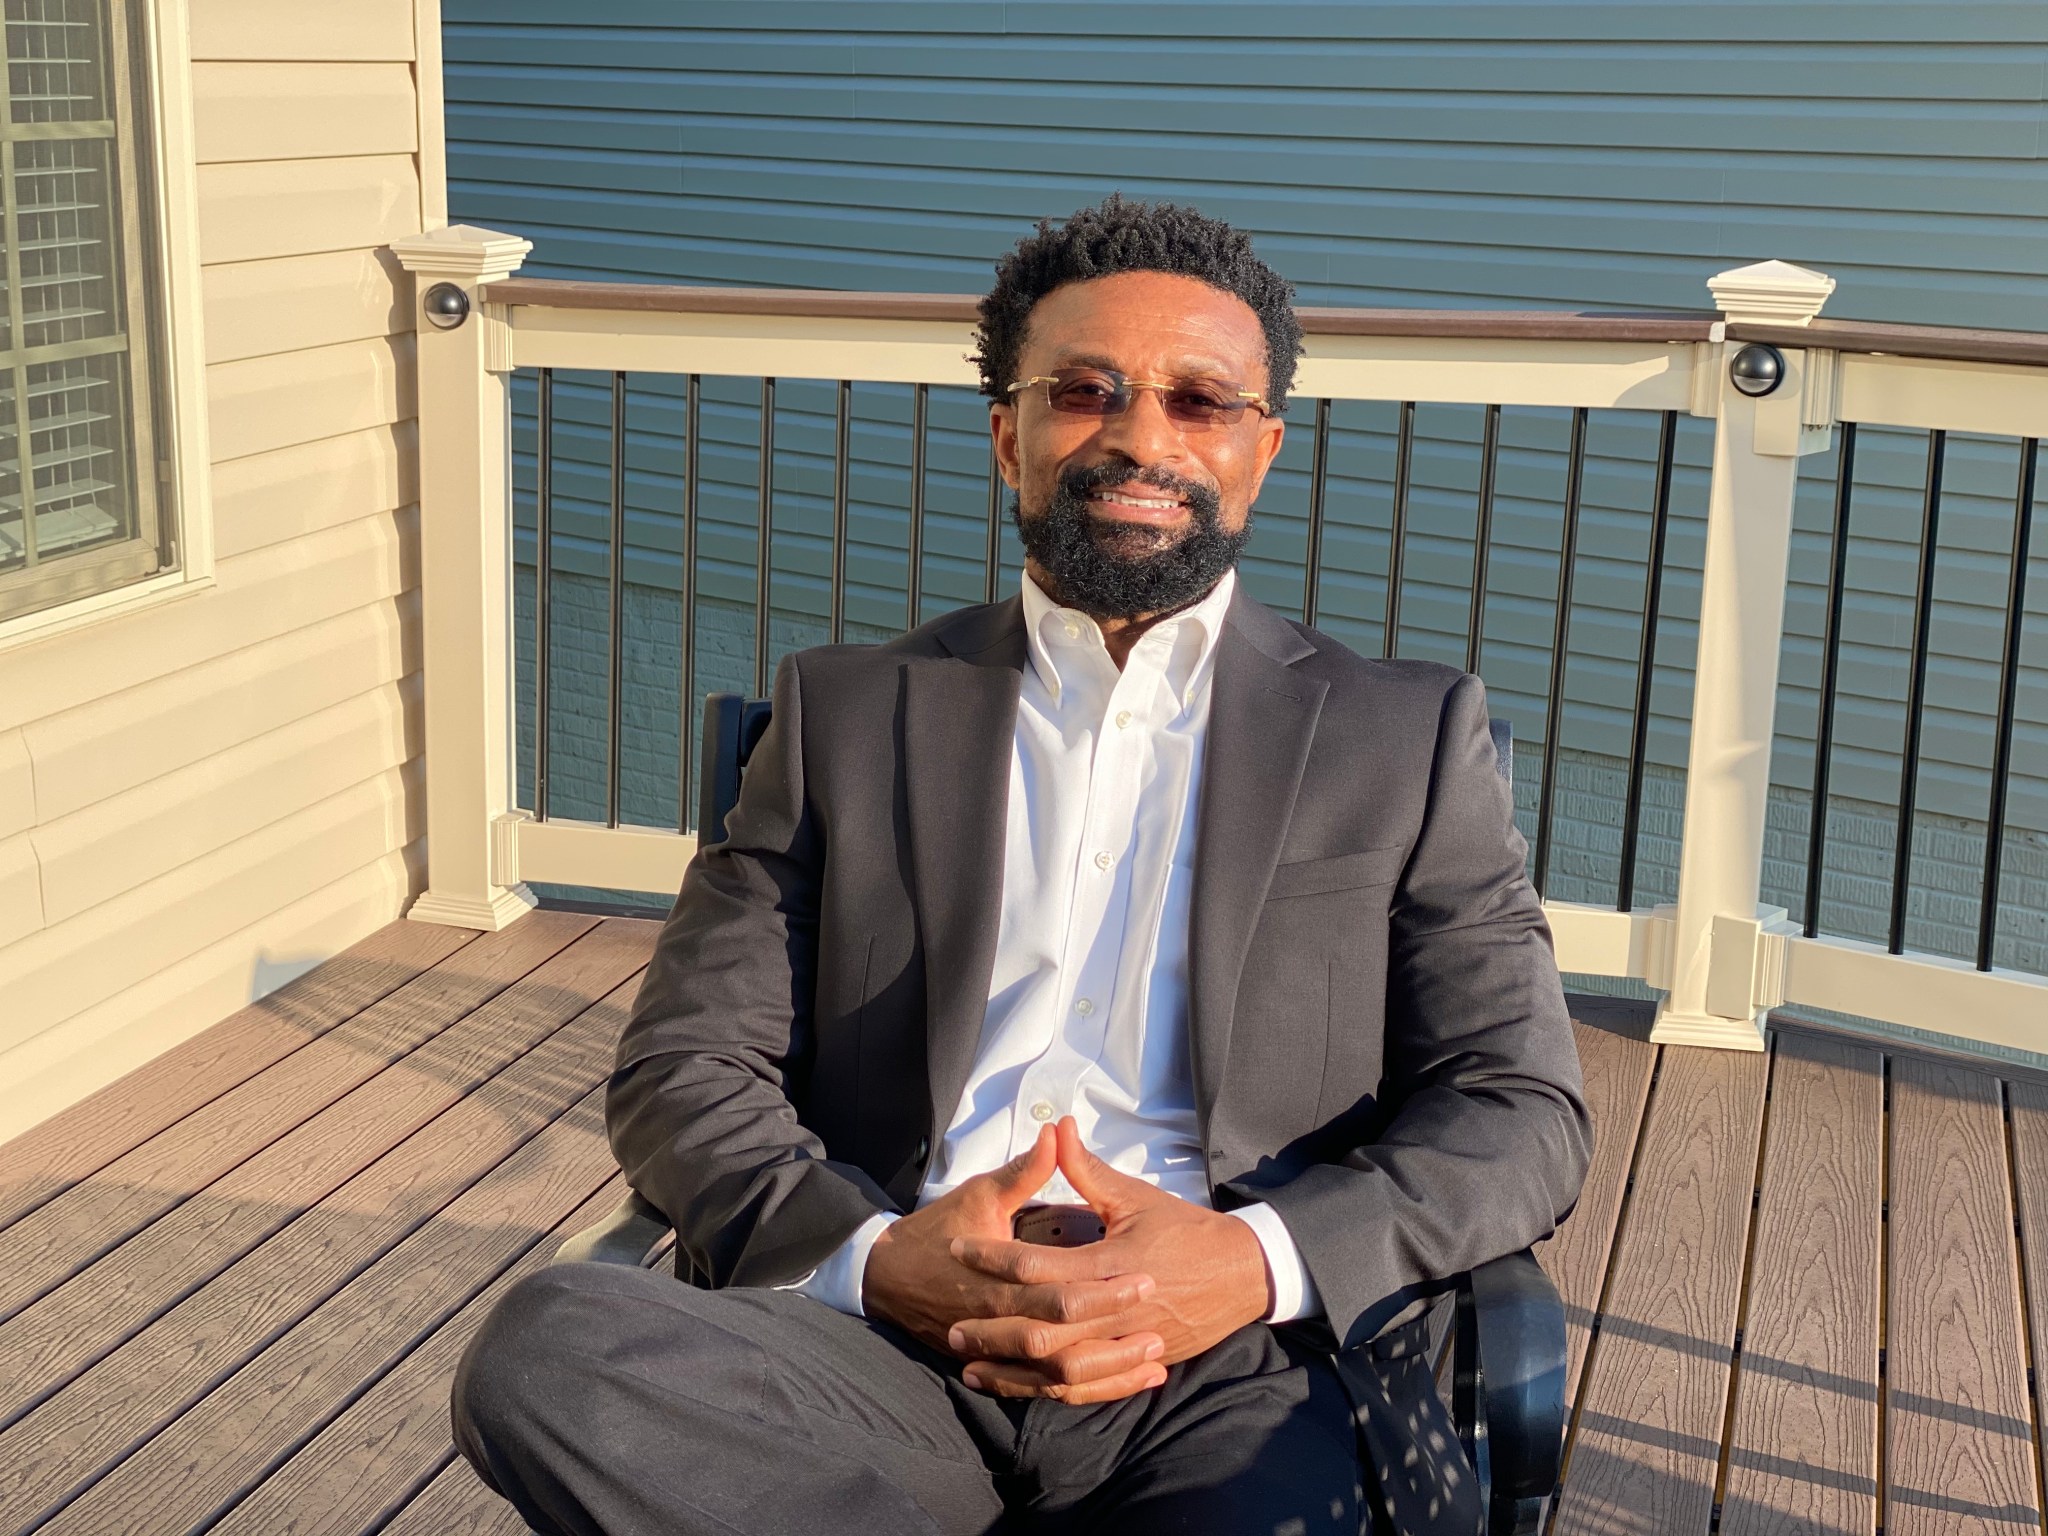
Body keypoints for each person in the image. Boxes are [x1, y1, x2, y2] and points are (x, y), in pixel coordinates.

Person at [451, 193, 1592, 1536]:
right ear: (1011, 436)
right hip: (887, 1341)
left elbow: (1520, 1107)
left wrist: (1250, 1261)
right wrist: (878, 1261)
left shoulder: (1404, 738)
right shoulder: (846, 717)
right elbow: (684, 1068)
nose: (1138, 438)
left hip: (1237, 1359)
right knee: (548, 1352)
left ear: (1262, 448)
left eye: (1197, 402)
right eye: (1085, 392)